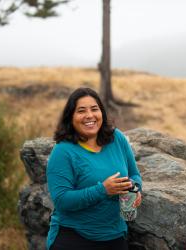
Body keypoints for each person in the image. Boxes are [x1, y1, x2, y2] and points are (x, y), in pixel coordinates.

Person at [46, 87, 142, 250]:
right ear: (71, 117)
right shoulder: (63, 151)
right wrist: (103, 190)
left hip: (115, 236)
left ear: (102, 113)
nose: (89, 115)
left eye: (94, 109)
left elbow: (134, 174)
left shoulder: (116, 138)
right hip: (74, 238)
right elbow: (62, 200)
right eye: (81, 111)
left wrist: (134, 188)